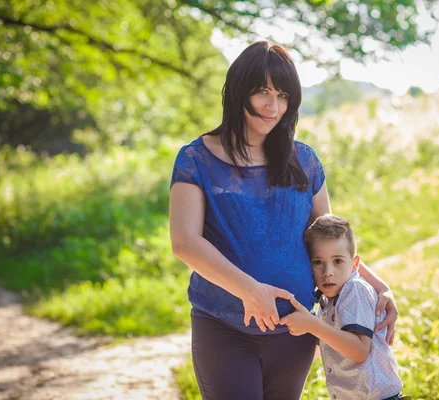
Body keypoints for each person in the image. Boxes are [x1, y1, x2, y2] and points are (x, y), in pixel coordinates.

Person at [169, 41, 398, 400]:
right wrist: (251, 291)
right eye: (262, 92)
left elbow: (329, 241)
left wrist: (378, 286)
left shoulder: (303, 160)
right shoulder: (195, 159)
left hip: (295, 330)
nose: (273, 106)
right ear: (238, 90)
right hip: (224, 326)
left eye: (283, 95)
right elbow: (184, 241)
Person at [281, 214, 406, 400]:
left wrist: (313, 325)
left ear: (355, 264)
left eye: (338, 261)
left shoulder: (354, 289)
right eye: (318, 262)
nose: (328, 273)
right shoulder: (328, 300)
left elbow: (359, 350)